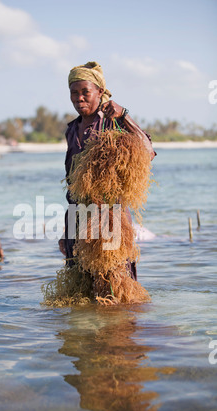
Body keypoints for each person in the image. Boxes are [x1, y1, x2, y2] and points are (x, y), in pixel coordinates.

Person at [58, 61, 156, 280]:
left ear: (99, 92)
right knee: (80, 284)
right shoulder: (72, 129)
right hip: (78, 216)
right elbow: (73, 183)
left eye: (86, 92)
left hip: (110, 217)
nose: (79, 98)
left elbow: (147, 151)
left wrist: (124, 115)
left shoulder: (114, 123)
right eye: (74, 93)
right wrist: (67, 233)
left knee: (114, 285)